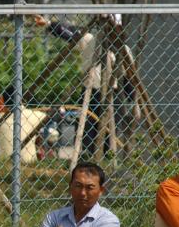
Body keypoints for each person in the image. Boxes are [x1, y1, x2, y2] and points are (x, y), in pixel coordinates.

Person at [32, 14, 132, 157]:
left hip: (112, 96)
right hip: (90, 94)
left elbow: (129, 78)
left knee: (109, 136)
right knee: (86, 133)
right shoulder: (89, 40)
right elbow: (69, 32)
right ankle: (87, 159)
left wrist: (130, 100)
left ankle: (106, 162)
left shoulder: (124, 49)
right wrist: (48, 24)